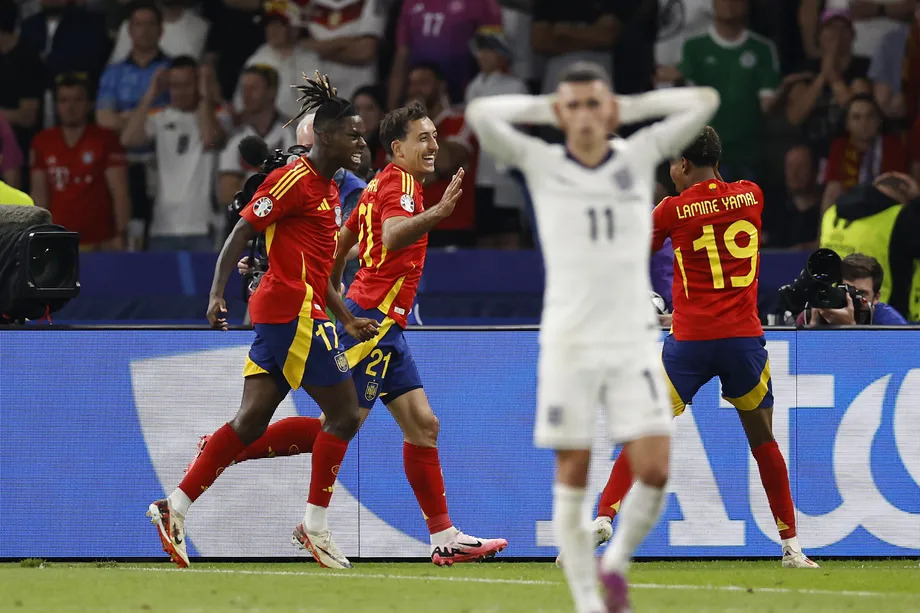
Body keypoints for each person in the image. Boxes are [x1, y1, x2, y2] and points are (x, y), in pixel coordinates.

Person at [191, 103, 507, 567]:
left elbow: (341, 243)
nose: (434, 145)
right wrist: (439, 212)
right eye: (424, 138)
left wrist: (334, 286)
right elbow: (395, 235)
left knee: (423, 424)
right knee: (343, 420)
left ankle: (444, 535)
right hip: (375, 318)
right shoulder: (399, 184)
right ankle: (236, 452)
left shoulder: (378, 183)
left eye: (436, 136)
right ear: (397, 148)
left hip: (383, 321)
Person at [466, 62, 719, 612]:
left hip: (630, 338)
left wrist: (623, 105)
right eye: (573, 107)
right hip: (570, 341)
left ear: (610, 112)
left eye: (593, 105)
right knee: (573, 471)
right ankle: (586, 597)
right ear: (561, 114)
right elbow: (481, 114)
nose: (584, 116)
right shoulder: (544, 161)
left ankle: (615, 565)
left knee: (653, 468)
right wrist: (549, 106)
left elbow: (703, 100)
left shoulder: (636, 154)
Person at [146, 72, 379, 571]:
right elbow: (240, 232)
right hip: (291, 313)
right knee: (347, 415)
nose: (362, 142)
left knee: (250, 422)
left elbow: (320, 273)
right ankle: (315, 528)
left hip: (297, 310)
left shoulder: (326, 189)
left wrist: (347, 318)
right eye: (354, 134)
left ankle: (174, 507)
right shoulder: (293, 180)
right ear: (326, 136)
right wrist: (215, 294)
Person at [591, 126, 820, 573]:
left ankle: (603, 516)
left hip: (690, 343)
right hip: (743, 342)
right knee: (764, 443)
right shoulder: (752, 196)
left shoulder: (673, 209)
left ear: (681, 164)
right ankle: (792, 548)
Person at [120, 56, 229, 251]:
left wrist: (205, 93)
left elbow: (209, 139)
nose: (179, 92)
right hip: (162, 227)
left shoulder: (217, 116)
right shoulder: (160, 117)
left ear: (198, 84)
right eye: (174, 85)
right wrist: (151, 93)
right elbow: (128, 139)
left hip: (202, 227)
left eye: (186, 85)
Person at [31, 72, 130, 249]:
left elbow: (119, 191)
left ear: (89, 104)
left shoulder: (106, 139)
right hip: (57, 241)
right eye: (64, 100)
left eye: (77, 100)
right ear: (56, 105)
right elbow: (39, 196)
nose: (70, 107)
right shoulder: (42, 141)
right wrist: (38, 236)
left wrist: (121, 234)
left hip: (100, 240)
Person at [821, 172, 920, 321]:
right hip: (883, 316)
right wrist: (916, 202)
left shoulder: (831, 212)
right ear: (904, 192)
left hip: (833, 313)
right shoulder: (901, 218)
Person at [821, 94, 908, 213]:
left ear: (879, 120)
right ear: (847, 124)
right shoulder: (840, 146)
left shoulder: (893, 146)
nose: (864, 122)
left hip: (885, 211)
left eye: (870, 116)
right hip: (849, 212)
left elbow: (900, 190)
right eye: (857, 117)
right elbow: (832, 190)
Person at [799, 252, 909, 326]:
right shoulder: (811, 314)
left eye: (861, 293)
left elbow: (880, 360)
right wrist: (814, 325)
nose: (852, 298)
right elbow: (799, 358)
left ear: (876, 297)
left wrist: (849, 326)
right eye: (846, 290)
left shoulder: (892, 324)